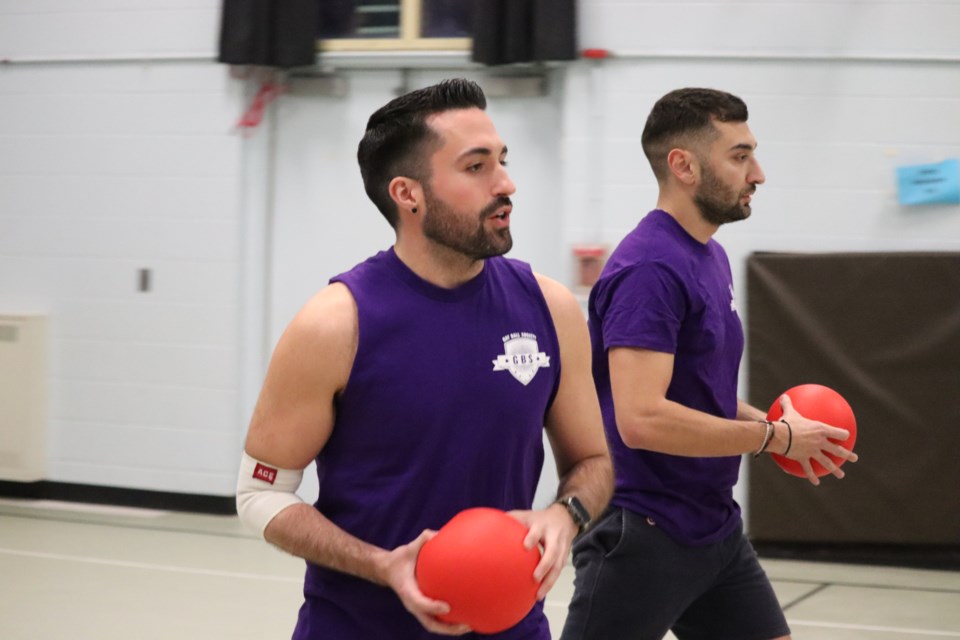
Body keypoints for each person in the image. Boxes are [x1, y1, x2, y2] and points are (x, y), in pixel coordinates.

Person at [235, 78, 613, 639]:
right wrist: (382, 565)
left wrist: (564, 515)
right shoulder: (335, 324)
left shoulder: (551, 309)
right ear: (408, 194)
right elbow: (260, 491)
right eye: (476, 166)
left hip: (512, 627)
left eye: (502, 161)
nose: (506, 184)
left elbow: (595, 462)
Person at [559, 88, 859, 640]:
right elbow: (642, 418)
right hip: (643, 530)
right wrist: (771, 438)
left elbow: (696, 394)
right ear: (684, 166)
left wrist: (781, 429)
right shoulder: (648, 269)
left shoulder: (709, 255)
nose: (758, 173)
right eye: (740, 156)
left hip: (712, 528)